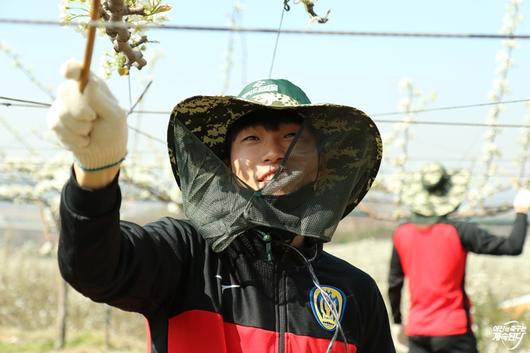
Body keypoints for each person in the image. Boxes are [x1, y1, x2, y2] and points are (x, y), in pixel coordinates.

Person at [47, 59, 396, 353]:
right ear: (227, 166)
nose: (274, 152)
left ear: (322, 167)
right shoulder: (186, 255)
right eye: (252, 138)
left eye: (292, 138)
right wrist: (96, 171)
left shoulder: (354, 290)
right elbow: (94, 269)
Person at [387, 162, 530, 353]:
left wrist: (397, 321)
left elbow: (394, 283)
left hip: (418, 331)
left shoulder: (401, 233)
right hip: (453, 330)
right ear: (448, 196)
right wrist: (521, 212)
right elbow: (513, 246)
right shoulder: (459, 231)